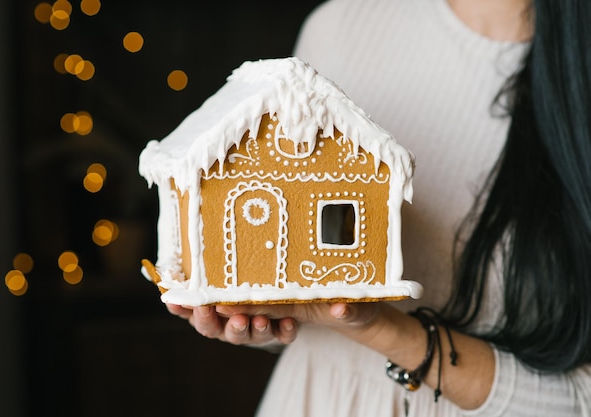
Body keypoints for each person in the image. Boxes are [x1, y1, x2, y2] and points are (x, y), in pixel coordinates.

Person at [166, 0, 591, 415]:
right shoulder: (341, 24)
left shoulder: (577, 74)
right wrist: (266, 312)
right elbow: (302, 303)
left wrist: (382, 328)